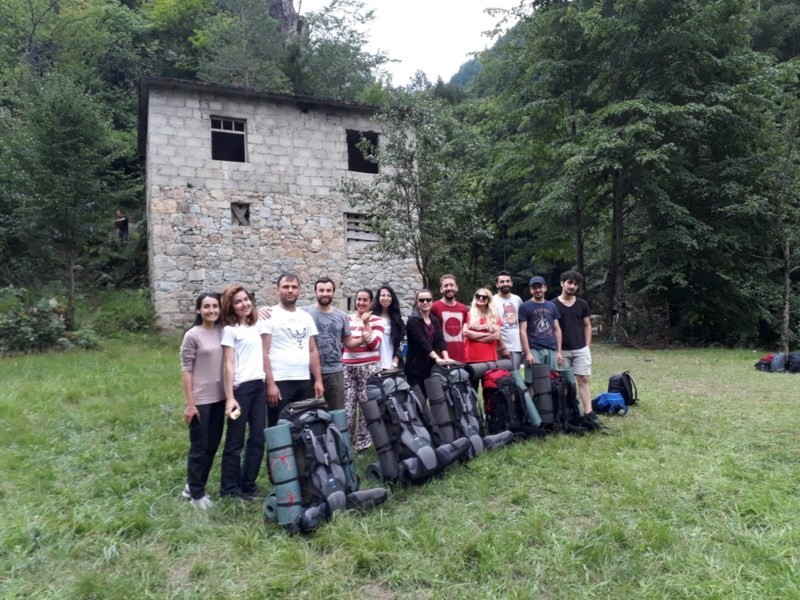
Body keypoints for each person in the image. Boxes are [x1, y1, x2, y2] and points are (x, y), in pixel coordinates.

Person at [220, 284, 268, 500]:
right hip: (241, 389)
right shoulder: (230, 331)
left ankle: (248, 484)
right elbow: (229, 364)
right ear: (231, 306)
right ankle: (230, 488)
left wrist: (266, 309)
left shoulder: (256, 326)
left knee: (258, 438)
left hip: (259, 386)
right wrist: (230, 397)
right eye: (238, 301)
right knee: (235, 440)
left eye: (246, 299)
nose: (244, 304)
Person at [179, 292, 225, 510]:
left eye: (215, 306)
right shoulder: (192, 335)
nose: (211, 310)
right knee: (199, 447)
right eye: (207, 307)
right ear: (199, 310)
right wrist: (190, 403)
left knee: (212, 445)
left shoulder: (221, 332)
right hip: (200, 400)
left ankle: (193, 485)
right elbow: (186, 370)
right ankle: (197, 495)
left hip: (219, 398)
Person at [262, 273, 324, 426]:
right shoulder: (269, 315)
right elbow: (263, 351)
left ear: (299, 291)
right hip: (280, 381)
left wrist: (318, 380)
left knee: (304, 425)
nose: (290, 290)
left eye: (294, 287)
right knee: (280, 427)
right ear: (277, 290)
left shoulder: (306, 317)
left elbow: (312, 350)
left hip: (304, 380)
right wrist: (270, 384)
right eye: (285, 287)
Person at [302, 277, 360, 411]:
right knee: (308, 413)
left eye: (328, 290)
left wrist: (363, 339)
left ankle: (338, 432)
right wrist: (266, 310)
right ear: (315, 292)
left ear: (333, 293)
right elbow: (284, 313)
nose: (325, 293)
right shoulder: (304, 313)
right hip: (308, 371)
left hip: (335, 371)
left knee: (337, 412)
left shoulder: (341, 316)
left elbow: (348, 342)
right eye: (321, 290)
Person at [553, 270, 600, 424]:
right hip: (562, 351)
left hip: (580, 349)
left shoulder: (582, 304)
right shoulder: (553, 305)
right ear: (562, 283)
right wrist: (557, 350)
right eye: (569, 282)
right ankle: (568, 413)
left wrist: (586, 346)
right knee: (564, 383)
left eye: (575, 284)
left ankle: (588, 413)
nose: (572, 286)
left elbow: (587, 325)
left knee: (583, 379)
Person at [343, 288, 384, 452]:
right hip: (348, 368)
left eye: (364, 300)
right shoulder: (346, 319)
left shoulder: (377, 321)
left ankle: (362, 445)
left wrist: (366, 323)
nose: (361, 303)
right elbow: (346, 343)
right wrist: (364, 338)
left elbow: (375, 345)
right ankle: (346, 442)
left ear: (371, 302)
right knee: (347, 407)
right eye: (358, 299)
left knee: (367, 405)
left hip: (369, 368)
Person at [405, 289, 450, 388]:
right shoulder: (412, 321)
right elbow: (422, 341)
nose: (425, 302)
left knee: (434, 398)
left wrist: (446, 358)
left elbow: (440, 339)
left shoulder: (434, 320)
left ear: (432, 301)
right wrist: (437, 357)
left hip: (430, 367)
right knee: (418, 401)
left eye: (428, 299)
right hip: (415, 367)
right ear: (417, 302)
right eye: (421, 300)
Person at [518, 276, 562, 374]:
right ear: (530, 290)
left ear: (545, 288)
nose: (538, 290)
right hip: (534, 349)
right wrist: (527, 353)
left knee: (553, 379)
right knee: (534, 381)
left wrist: (559, 352)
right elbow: (522, 330)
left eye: (540, 287)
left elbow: (557, 329)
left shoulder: (552, 306)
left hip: (551, 348)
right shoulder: (525, 307)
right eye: (534, 288)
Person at [431, 274, 469, 363]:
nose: (449, 288)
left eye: (452, 285)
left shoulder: (463, 308)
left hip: (460, 355)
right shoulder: (434, 307)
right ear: (441, 289)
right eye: (445, 286)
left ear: (456, 288)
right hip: (441, 356)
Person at [493, 271, 523, 370]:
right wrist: (502, 346)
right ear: (497, 284)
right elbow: (493, 325)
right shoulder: (492, 301)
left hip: (516, 345)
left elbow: (522, 322)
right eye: (502, 282)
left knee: (515, 375)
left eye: (507, 281)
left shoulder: (517, 299)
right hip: (499, 347)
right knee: (501, 377)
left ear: (511, 283)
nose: (505, 283)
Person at [463, 288, 502, 364]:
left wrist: (473, 337)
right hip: (471, 355)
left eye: (484, 297)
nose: (481, 298)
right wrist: (487, 334)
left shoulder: (495, 316)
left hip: (489, 355)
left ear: (489, 300)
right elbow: (465, 333)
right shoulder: (468, 314)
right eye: (478, 296)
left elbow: (496, 336)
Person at [372, 284, 405, 371]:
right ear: (378, 298)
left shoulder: (398, 321)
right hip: (374, 366)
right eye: (383, 295)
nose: (385, 298)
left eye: (389, 295)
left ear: (392, 298)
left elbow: (401, 344)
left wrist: (394, 364)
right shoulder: (371, 318)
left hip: (392, 366)